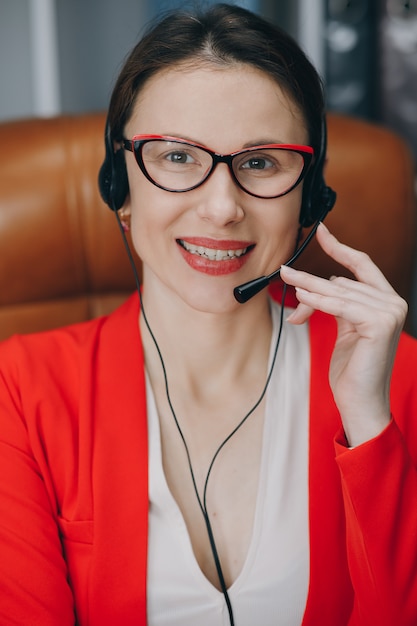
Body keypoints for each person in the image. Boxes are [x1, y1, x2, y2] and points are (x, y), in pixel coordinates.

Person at [0, 3, 417, 626]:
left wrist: (368, 425)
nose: (222, 208)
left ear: (310, 197)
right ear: (120, 184)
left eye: (260, 163)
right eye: (176, 157)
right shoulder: (19, 389)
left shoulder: (394, 376)